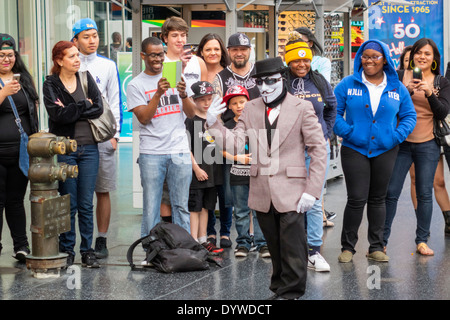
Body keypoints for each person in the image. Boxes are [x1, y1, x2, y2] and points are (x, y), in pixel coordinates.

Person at [206, 56, 327, 300]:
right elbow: (236, 144)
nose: (265, 87)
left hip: (293, 188)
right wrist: (212, 123)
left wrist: (312, 191)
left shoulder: (302, 108)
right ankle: (279, 289)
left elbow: (318, 150)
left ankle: (290, 292)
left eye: (270, 81)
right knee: (274, 245)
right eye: (259, 82)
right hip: (262, 189)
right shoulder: (251, 108)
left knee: (292, 246)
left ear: (282, 79)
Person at [333, 39, 416, 263]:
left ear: (385, 59)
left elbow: (409, 116)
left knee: (379, 198)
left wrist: (396, 136)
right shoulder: (348, 84)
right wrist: (348, 132)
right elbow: (333, 112)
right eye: (365, 56)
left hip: (386, 149)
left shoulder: (396, 87)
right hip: (354, 149)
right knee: (356, 198)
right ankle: (348, 247)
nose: (369, 60)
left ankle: (376, 246)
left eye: (374, 56)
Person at [126, 37, 195, 249]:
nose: (158, 59)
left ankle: (184, 249)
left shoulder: (176, 76)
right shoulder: (135, 85)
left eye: (161, 54)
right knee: (151, 207)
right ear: (143, 56)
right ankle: (152, 250)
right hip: (151, 153)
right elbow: (144, 118)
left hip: (179, 151)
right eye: (153, 55)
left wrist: (183, 95)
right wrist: (157, 93)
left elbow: (192, 114)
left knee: (181, 206)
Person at [384, 38, 450, 255]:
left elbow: (442, 113)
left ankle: (422, 240)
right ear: (412, 57)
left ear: (434, 59)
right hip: (400, 143)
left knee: (424, 193)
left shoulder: (441, 82)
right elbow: (387, 107)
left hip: (428, 143)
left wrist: (430, 93)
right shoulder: (399, 77)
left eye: (427, 54)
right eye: (419, 53)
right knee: (390, 192)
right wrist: (408, 91)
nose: (422, 57)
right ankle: (381, 241)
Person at [43, 40, 104, 268]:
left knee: (87, 204)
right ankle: (67, 249)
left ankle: (87, 250)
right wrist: (82, 106)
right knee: (68, 203)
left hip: (89, 148)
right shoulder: (51, 84)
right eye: (72, 56)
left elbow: (98, 108)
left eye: (78, 55)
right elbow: (57, 115)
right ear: (59, 61)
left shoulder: (86, 79)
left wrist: (72, 109)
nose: (77, 59)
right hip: (64, 149)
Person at [284, 31, 337, 272]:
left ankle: (314, 251)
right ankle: (293, 249)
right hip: (289, 151)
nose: (302, 64)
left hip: (316, 150)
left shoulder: (319, 81)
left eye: (306, 60)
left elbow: (331, 107)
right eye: (296, 60)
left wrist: (325, 134)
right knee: (291, 199)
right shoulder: (280, 81)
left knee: (314, 199)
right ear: (288, 60)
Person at [72, 18, 122, 260]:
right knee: (74, 192)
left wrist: (116, 135)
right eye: (86, 36)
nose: (92, 40)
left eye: (94, 35)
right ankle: (73, 241)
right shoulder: (68, 64)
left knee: (103, 190)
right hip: (77, 136)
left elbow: (115, 100)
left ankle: (101, 238)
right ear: (76, 40)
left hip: (103, 135)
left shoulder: (108, 65)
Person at [209, 32, 260, 248]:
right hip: (232, 140)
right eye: (235, 49)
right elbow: (216, 114)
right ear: (228, 52)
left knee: (260, 197)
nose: (239, 53)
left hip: (259, 139)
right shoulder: (220, 78)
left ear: (249, 50)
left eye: (244, 49)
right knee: (236, 197)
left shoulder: (259, 73)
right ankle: (241, 239)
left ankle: (261, 240)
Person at [0, 34, 39, 262]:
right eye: (2, 55)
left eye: (10, 55)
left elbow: (31, 111)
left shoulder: (23, 79)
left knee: (16, 199)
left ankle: (21, 246)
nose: (7, 59)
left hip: (21, 151)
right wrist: (5, 92)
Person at [221, 85, 269, 258]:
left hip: (257, 174)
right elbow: (220, 149)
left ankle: (262, 243)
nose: (239, 106)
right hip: (237, 174)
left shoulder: (258, 120)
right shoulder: (227, 126)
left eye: (242, 102)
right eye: (234, 103)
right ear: (229, 107)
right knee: (240, 210)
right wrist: (237, 158)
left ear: (249, 102)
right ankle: (242, 243)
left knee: (259, 210)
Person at [185, 80, 223, 255]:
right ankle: (192, 240)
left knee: (207, 206)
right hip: (197, 171)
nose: (206, 103)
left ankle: (203, 239)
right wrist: (196, 168)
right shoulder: (190, 120)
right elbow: (187, 147)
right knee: (195, 206)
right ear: (193, 100)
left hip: (212, 170)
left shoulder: (212, 120)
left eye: (209, 99)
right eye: (202, 100)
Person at [161, 16, 207, 98]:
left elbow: (205, 94)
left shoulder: (199, 61)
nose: (179, 40)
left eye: (183, 35)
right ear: (165, 38)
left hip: (194, 108)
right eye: (174, 36)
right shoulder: (160, 63)